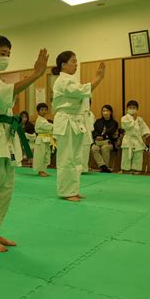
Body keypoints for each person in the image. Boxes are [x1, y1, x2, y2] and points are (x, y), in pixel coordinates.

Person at [0, 34, 48, 252]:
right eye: (3, 54)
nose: (7, 58)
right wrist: (36, 74)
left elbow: (7, 94)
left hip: (4, 136)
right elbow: (5, 95)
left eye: (8, 54)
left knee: (4, 187)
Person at [52, 51, 105, 202]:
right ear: (63, 64)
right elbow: (82, 92)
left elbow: (82, 94)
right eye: (73, 61)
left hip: (75, 120)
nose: (76, 64)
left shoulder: (71, 80)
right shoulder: (63, 81)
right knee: (66, 158)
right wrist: (98, 78)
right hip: (66, 120)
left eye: (76, 61)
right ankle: (66, 191)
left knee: (76, 158)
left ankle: (73, 190)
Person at [121, 100, 150, 174]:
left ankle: (136, 170)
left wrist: (145, 134)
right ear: (127, 109)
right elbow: (127, 126)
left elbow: (144, 128)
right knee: (126, 156)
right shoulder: (124, 118)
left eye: (134, 108)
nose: (132, 109)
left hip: (137, 140)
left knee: (138, 155)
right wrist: (133, 119)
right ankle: (126, 170)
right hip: (128, 139)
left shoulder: (140, 119)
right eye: (130, 108)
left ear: (137, 109)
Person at [91, 105, 119, 172]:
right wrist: (97, 136)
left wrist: (103, 137)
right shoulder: (98, 121)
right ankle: (103, 166)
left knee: (104, 148)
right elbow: (94, 131)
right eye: (103, 111)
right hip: (98, 141)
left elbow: (111, 132)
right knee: (94, 148)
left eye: (107, 111)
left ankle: (105, 166)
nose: (105, 112)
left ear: (111, 112)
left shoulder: (114, 123)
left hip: (109, 142)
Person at [33, 103, 55, 177]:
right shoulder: (40, 120)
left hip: (46, 139)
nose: (44, 111)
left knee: (46, 155)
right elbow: (47, 126)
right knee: (40, 155)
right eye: (42, 110)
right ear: (38, 111)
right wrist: (56, 126)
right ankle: (40, 171)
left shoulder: (44, 120)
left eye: (45, 110)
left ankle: (43, 170)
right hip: (41, 139)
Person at [81, 99, 95, 173]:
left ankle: (84, 168)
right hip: (80, 134)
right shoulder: (79, 113)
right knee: (79, 152)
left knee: (86, 152)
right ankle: (79, 168)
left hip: (88, 135)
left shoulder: (91, 114)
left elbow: (92, 126)